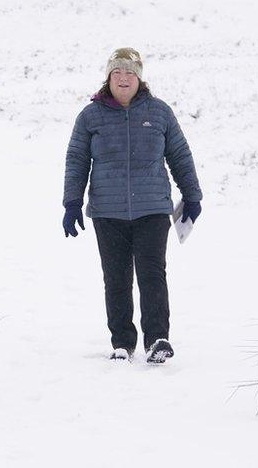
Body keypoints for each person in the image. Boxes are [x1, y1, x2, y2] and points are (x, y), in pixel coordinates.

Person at [62, 48, 202, 364]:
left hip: (152, 208)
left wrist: (192, 195)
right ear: (108, 77)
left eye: (130, 73)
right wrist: (72, 201)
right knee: (116, 277)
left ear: (140, 78)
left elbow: (180, 154)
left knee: (152, 273)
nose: (123, 78)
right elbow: (77, 160)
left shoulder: (160, 112)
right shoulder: (90, 116)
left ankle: (157, 339)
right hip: (107, 212)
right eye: (117, 72)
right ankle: (122, 342)